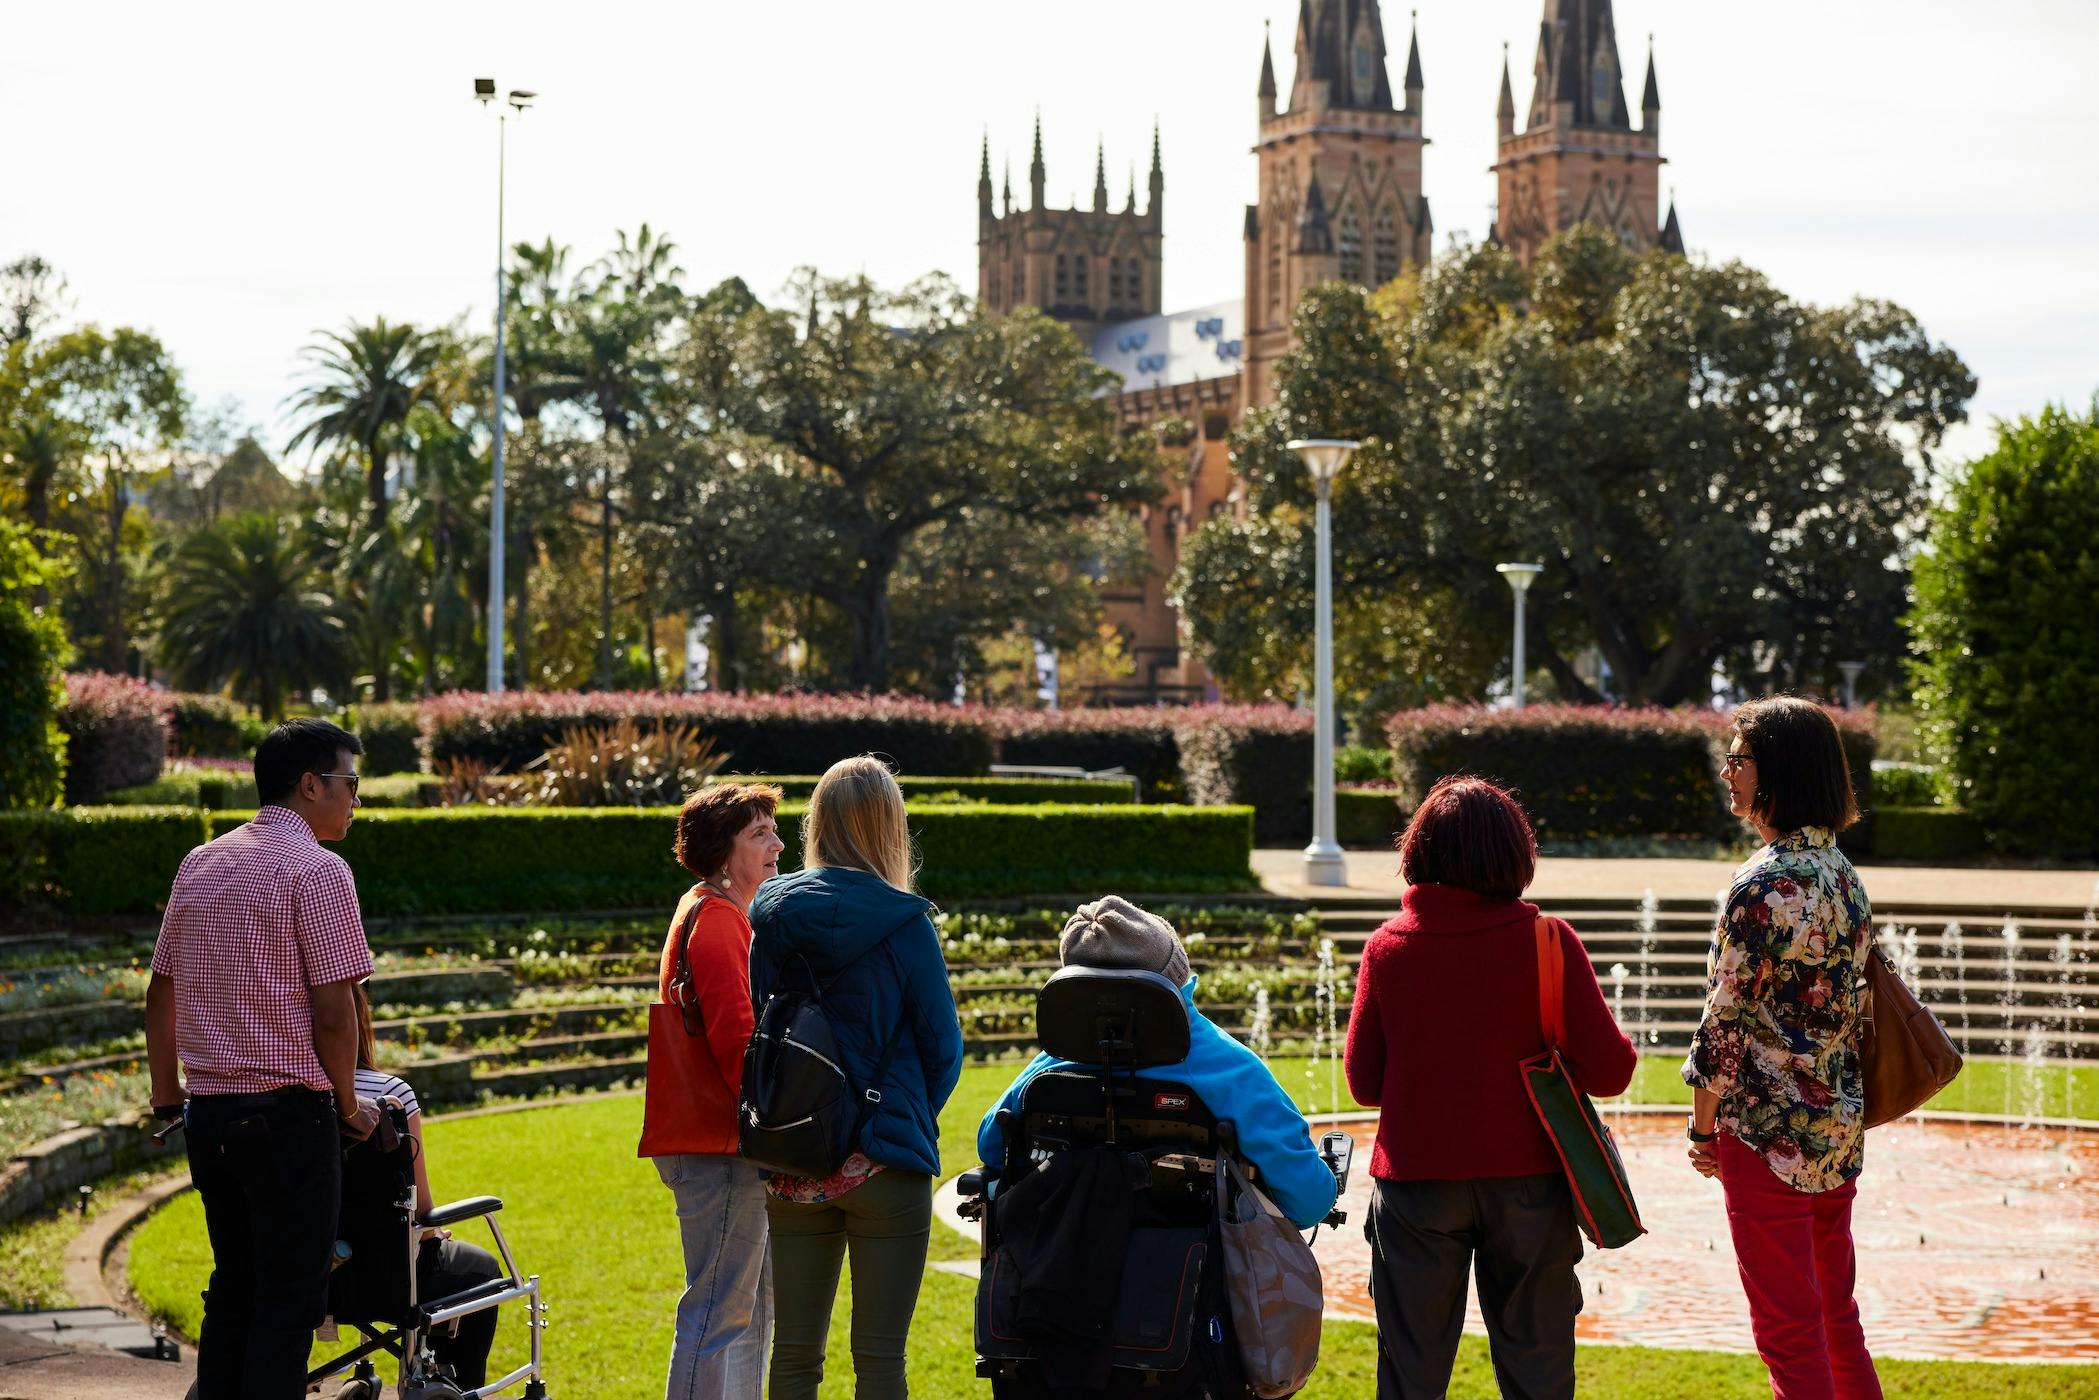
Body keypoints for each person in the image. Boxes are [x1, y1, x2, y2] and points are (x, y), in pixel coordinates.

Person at [1344, 775, 1635, 1400]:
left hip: (1415, 1186)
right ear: (1515, 853)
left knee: (1409, 1380)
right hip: (1529, 1186)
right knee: (1539, 1377)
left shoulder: (1387, 948)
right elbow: (1612, 1073)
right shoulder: (1547, 941)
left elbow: (1365, 1084)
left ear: (1418, 851)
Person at [144, 718, 381, 1399]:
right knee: (288, 1306)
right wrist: (347, 1105)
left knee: (234, 1291)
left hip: (211, 1118)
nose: (355, 800)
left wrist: (168, 1096)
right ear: (311, 786)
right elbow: (335, 1013)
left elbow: (161, 992)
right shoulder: (319, 869)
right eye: (350, 783)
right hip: (289, 1121)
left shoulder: (202, 861)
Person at [748, 756, 964, 1400]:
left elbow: (764, 1025)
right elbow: (943, 1048)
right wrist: (904, 1114)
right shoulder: (904, 922)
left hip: (794, 1153)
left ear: (817, 824)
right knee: (879, 1363)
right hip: (884, 1159)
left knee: (792, 1359)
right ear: (889, 830)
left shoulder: (772, 915)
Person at [1683, 697, 1880, 1400]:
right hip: (1834, 1125)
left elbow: (1724, 1020)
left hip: (1766, 1134)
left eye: (1739, 757)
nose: (1727, 771)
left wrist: (1701, 1125)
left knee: (1788, 1333)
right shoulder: (1842, 874)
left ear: (1780, 773)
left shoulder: (1761, 885)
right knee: (1834, 1320)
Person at [976, 895, 1340, 1230]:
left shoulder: (1050, 1068)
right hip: (1190, 1281)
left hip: (1060, 1269)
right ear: (1177, 977)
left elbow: (992, 1146)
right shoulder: (1231, 1068)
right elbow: (1308, 1202)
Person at [642, 781, 786, 1399]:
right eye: (759, 834)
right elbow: (739, 1044)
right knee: (720, 1311)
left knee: (745, 1310)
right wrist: (781, 1123)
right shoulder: (720, 920)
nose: (778, 844)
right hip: (723, 1145)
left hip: (718, 1141)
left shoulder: (707, 908)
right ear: (722, 852)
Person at [350, 983, 503, 1389]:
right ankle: (452, 1386)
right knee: (482, 1269)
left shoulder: (282, 1097)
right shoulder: (389, 1096)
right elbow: (421, 1209)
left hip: (310, 1273)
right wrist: (433, 1230)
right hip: (389, 1278)